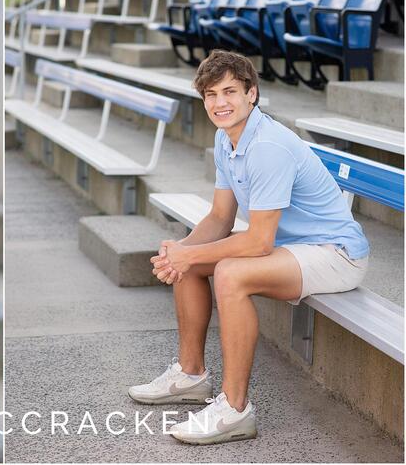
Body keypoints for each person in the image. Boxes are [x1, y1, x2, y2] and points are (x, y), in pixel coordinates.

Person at [128, 50, 369, 445]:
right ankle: (191, 376)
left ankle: (235, 409)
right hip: (294, 249)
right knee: (193, 262)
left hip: (335, 253)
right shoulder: (227, 138)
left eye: (229, 92)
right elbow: (220, 218)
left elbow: (258, 242)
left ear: (251, 94)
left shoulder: (267, 146)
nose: (220, 103)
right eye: (210, 94)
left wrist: (191, 254)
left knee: (229, 272)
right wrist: (179, 252)